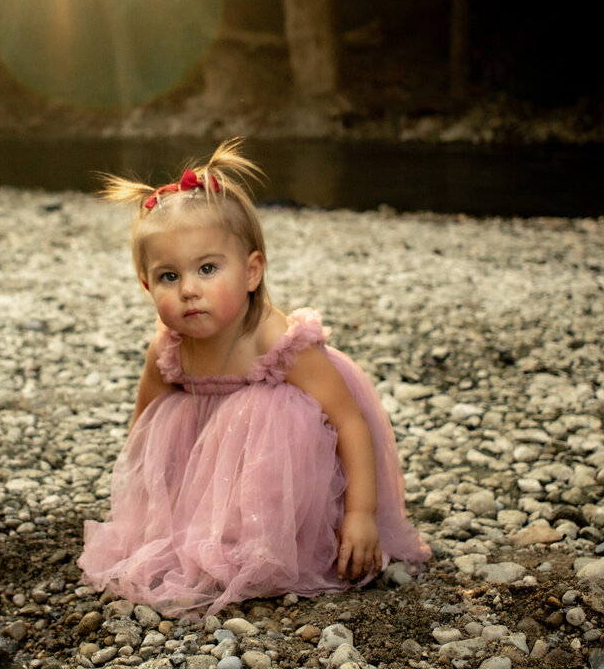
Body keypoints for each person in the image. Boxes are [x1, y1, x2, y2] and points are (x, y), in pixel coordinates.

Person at [78, 138, 430, 618]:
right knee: (175, 433)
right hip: (212, 472)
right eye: (167, 277)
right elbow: (143, 432)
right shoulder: (168, 347)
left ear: (251, 271)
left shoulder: (279, 342)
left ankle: (269, 540)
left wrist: (360, 515)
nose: (188, 291)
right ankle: (205, 532)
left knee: (269, 416)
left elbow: (349, 423)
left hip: (284, 476)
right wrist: (150, 506)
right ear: (145, 284)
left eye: (206, 269)